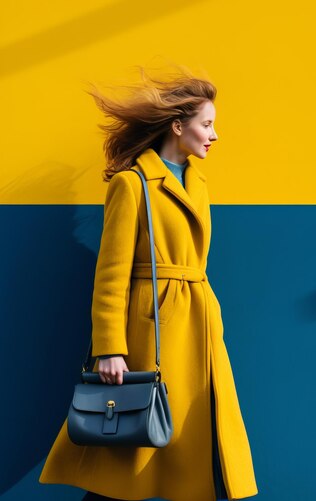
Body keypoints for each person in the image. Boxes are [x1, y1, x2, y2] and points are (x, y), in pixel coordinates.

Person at [38, 66, 259, 501]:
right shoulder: (131, 184)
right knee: (130, 451)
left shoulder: (198, 183)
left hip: (198, 324)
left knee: (190, 449)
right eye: (207, 124)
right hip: (152, 329)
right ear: (178, 126)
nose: (214, 135)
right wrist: (110, 348)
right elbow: (111, 274)